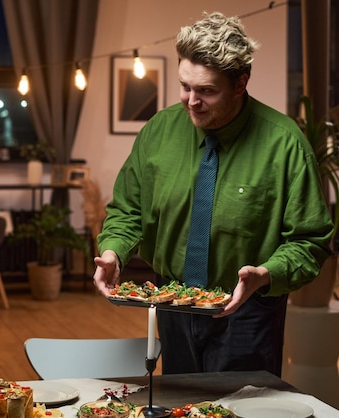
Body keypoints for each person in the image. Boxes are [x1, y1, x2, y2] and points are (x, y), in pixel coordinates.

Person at [93, 12, 334, 376]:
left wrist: (266, 274)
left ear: (241, 84)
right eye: (185, 86)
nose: (191, 100)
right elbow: (127, 210)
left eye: (206, 90)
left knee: (241, 409)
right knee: (182, 403)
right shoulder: (158, 131)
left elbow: (310, 241)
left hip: (248, 309)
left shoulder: (284, 144)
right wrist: (113, 252)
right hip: (171, 303)